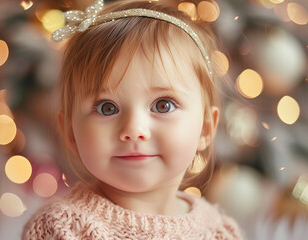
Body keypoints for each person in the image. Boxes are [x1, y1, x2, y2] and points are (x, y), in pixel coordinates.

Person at [23, 0, 243, 239]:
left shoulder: (221, 231)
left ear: (205, 129)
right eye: (107, 108)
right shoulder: (62, 228)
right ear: (70, 132)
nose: (134, 129)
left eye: (163, 105)